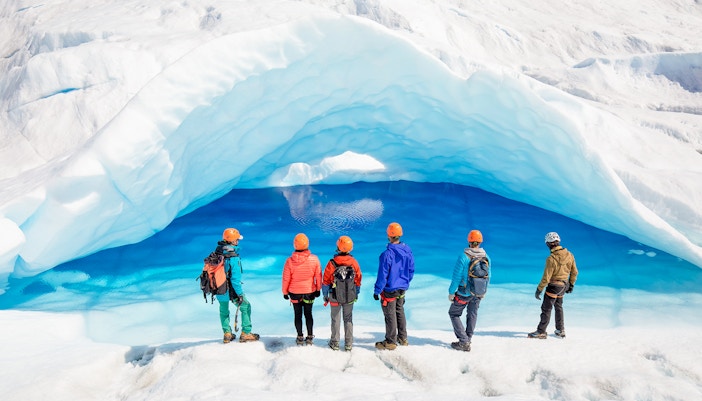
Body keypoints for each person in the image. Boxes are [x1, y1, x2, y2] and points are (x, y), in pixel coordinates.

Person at [528, 231, 579, 339]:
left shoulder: (551, 259)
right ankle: (560, 330)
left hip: (554, 286)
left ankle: (541, 331)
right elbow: (574, 272)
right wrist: (571, 285)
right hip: (564, 285)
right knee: (558, 307)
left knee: (546, 308)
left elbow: (546, 277)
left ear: (548, 244)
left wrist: (539, 289)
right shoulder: (570, 255)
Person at [373, 222, 415, 350]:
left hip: (390, 290)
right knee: (400, 311)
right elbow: (411, 269)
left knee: (390, 315)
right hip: (402, 288)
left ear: (388, 235)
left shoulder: (387, 255)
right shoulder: (407, 251)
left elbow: (382, 275)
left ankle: (391, 341)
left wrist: (377, 290)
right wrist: (405, 282)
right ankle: (403, 338)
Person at [447, 229, 491, 352]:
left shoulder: (464, 256)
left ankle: (464, 341)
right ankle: (468, 338)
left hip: (464, 293)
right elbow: (489, 275)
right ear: (480, 242)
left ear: (469, 241)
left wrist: (451, 292)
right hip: (478, 292)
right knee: (472, 314)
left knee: (454, 313)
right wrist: (484, 291)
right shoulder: (486, 256)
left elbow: (456, 277)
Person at [216, 228, 259, 343]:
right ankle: (246, 333)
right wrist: (240, 294)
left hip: (219, 288)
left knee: (223, 310)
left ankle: (227, 333)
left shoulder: (217, 253)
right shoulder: (233, 258)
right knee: (246, 307)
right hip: (232, 290)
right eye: (237, 239)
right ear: (232, 241)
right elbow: (235, 280)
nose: (238, 241)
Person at [322, 235, 362, 351]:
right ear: (350, 249)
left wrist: (325, 295)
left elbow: (325, 280)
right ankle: (348, 344)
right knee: (348, 318)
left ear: (338, 248)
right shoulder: (354, 262)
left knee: (335, 318)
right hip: (350, 295)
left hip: (334, 295)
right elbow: (358, 279)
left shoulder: (332, 263)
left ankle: (335, 343)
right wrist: (356, 293)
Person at [282, 233, 322, 345]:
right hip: (309, 292)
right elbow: (318, 276)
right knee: (308, 314)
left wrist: (285, 292)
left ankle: (300, 337)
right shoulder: (314, 259)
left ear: (295, 245)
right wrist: (318, 289)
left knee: (297, 315)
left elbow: (286, 278)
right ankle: (309, 337)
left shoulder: (289, 261)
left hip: (294, 293)